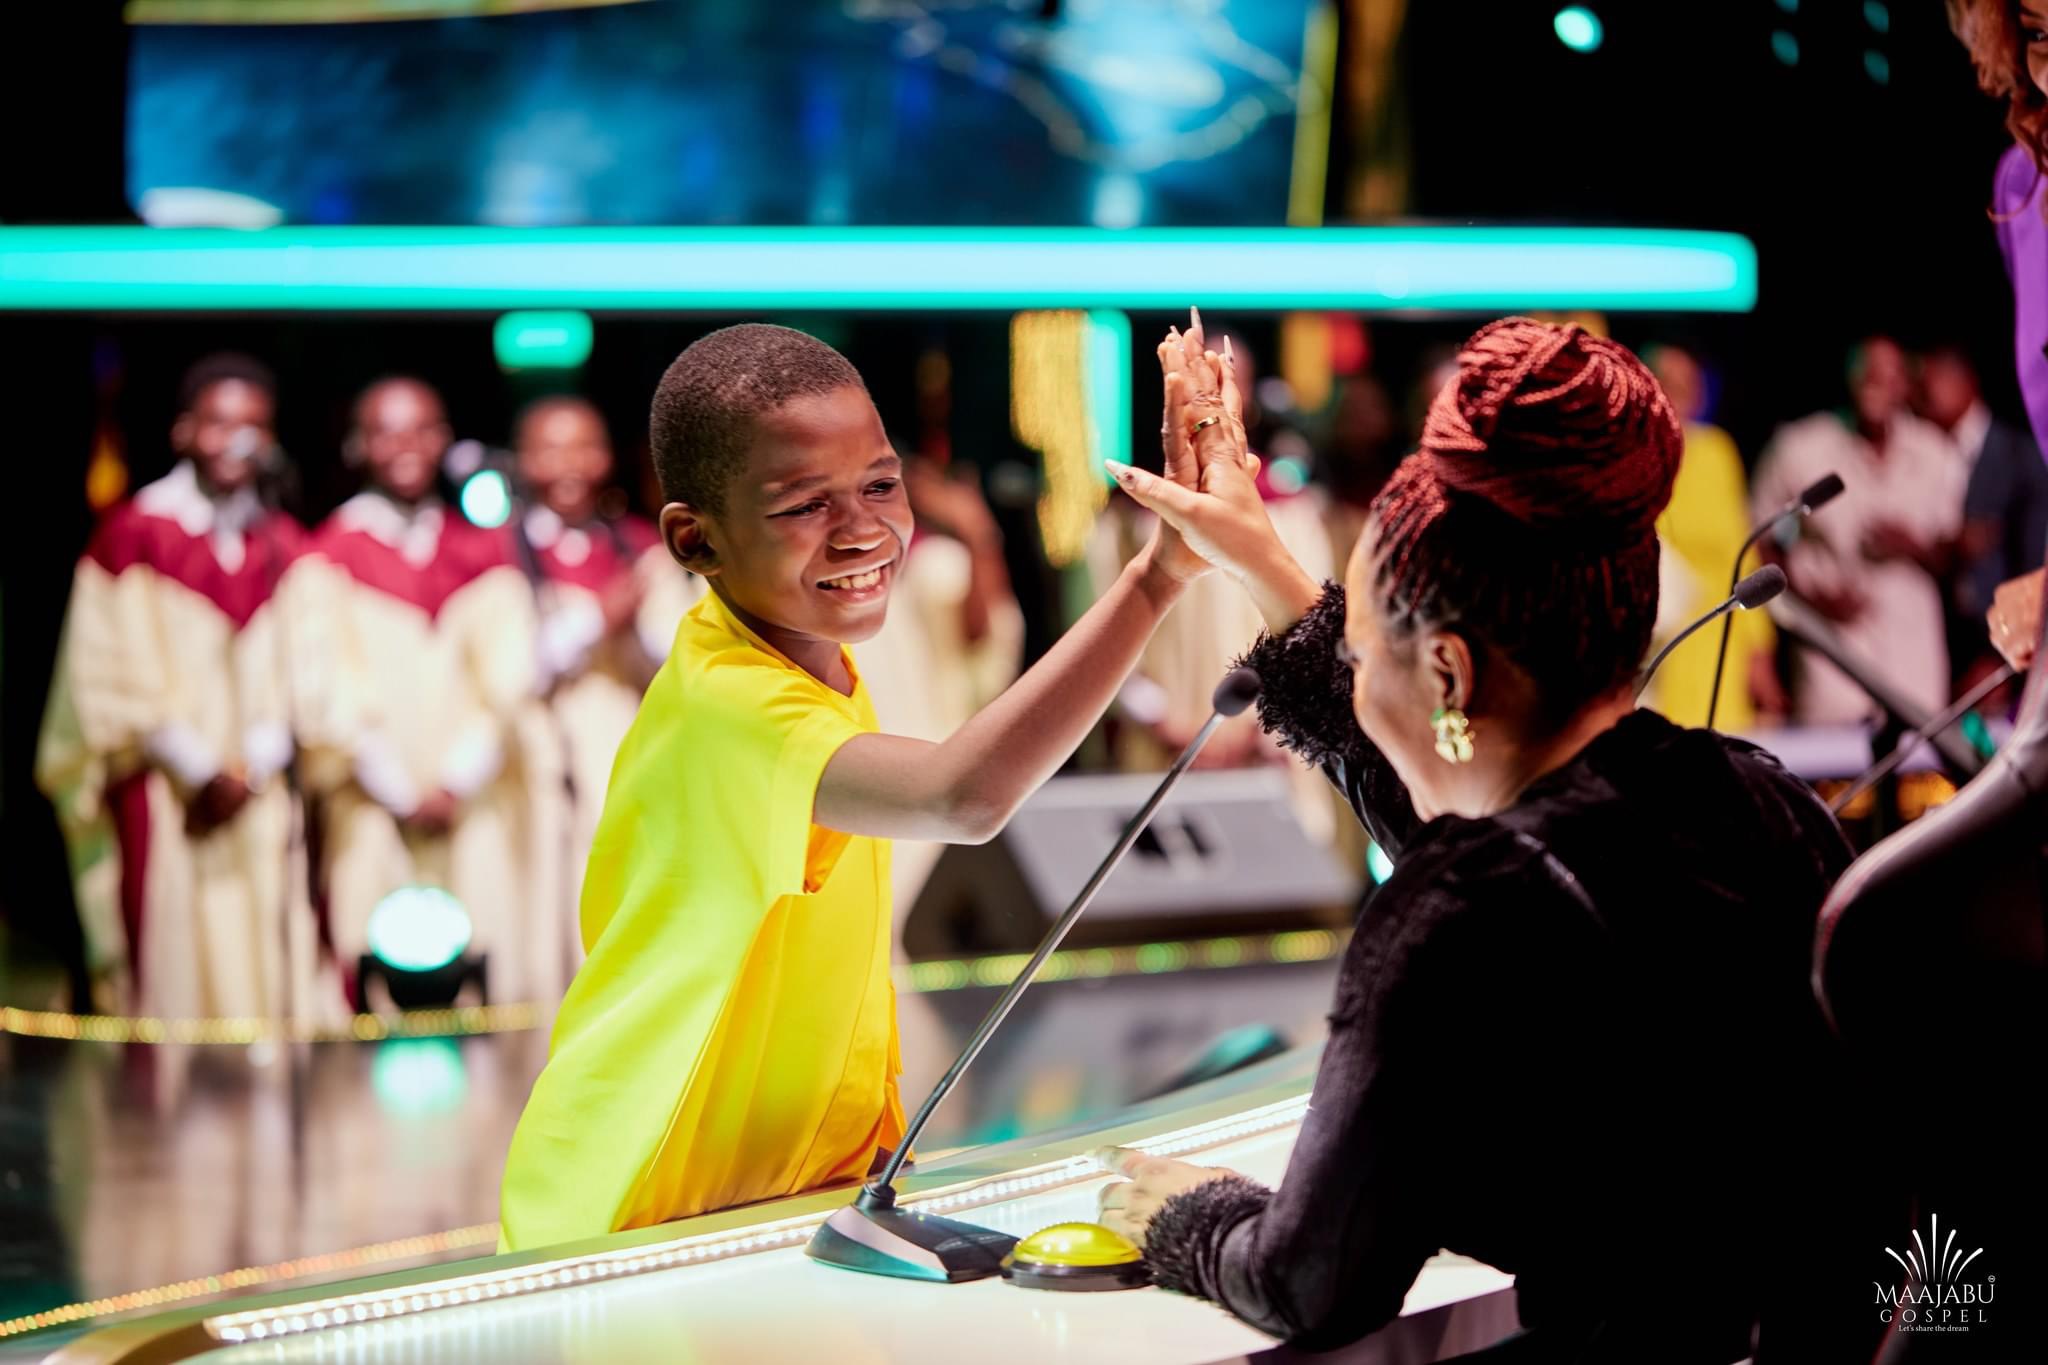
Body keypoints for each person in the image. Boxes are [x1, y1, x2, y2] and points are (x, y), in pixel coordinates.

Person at [1095, 319, 1882, 1360]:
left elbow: (1309, 1282)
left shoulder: (1463, 910)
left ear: (1448, 676)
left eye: (1365, 653)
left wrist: (1185, 1213)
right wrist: (1263, 560)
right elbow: (1500, 842)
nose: (1355, 688)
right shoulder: (1768, 804)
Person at [499, 317, 1223, 1250]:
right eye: (805, 505)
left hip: (757, 1199)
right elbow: (962, 796)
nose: (864, 530)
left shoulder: (807, 661)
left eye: (880, 484)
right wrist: (1159, 576)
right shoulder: (731, 704)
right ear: (694, 539)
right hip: (626, 1209)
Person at [35, 353, 325, 1019]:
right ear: (184, 431)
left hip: (259, 794)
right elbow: (105, 675)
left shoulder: (282, 543)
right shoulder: (133, 535)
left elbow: (312, 670)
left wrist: (251, 766)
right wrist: (200, 769)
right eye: (219, 424)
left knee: (266, 967)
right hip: (166, 793)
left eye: (253, 427)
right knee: (171, 974)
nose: (236, 442)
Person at [304, 377, 540, 1005]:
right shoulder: (329, 553)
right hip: (371, 802)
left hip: (471, 802)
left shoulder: (483, 551)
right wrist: (399, 790)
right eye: (386, 432)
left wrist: (456, 781)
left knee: (485, 973)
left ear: (443, 440)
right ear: (358, 445)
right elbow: (324, 683)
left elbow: (509, 680)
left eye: (420, 431)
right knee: (369, 976)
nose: (405, 446)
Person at [510, 395, 703, 1000]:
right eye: (550, 449)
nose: (569, 464)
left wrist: (639, 624)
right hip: (541, 774)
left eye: (584, 447)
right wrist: (598, 618)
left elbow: (683, 660)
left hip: (634, 758)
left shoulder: (642, 546)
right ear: (523, 460)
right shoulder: (498, 552)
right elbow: (507, 673)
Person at [1750, 337, 1966, 725]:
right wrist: (1806, 603)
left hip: (1913, 660)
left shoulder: (1936, 453)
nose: (1876, 383)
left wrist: (1912, 547)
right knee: (1831, 761)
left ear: (1906, 384)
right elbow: (1761, 543)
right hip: (1831, 659)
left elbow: (1955, 556)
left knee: (1921, 758)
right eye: (1867, 371)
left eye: (1889, 374)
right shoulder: (1800, 447)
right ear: (1849, 377)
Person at [1642, 343, 1782, 727]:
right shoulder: (1635, 457)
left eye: (1686, 384)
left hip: (1720, 639)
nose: (1677, 394)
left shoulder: (1718, 453)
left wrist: (1759, 651)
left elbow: (1744, 554)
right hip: (1661, 641)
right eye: (1667, 383)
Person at [1915, 346, 2048, 638]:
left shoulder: (2017, 455)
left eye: (1939, 379)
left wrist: (2014, 639)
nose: (1927, 392)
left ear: (1967, 382)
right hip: (1944, 627)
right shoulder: (1924, 450)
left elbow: (2033, 556)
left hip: (2001, 629)